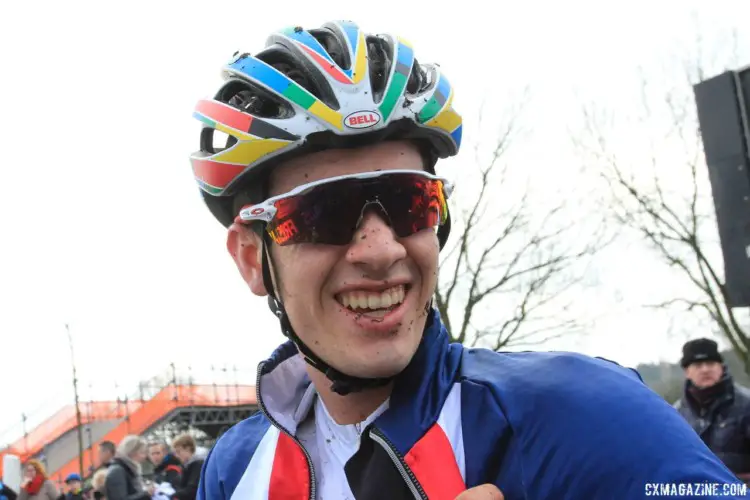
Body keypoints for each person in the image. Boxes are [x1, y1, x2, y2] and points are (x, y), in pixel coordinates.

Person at [190, 20, 746, 499]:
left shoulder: (588, 416)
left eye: (412, 202)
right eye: (323, 213)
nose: (382, 250)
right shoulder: (236, 469)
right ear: (250, 258)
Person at [674, 338, 750, 481]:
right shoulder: (677, 413)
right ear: (687, 372)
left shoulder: (746, 404)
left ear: (721, 366)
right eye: (697, 365)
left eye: (710, 363)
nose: (705, 369)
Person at [104, 436, 154, 500]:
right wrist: (146, 494)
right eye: (142, 452)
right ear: (132, 453)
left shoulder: (128, 469)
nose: (144, 456)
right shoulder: (118, 471)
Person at [169, 435, 203, 500]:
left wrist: (174, 495)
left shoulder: (198, 465)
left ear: (188, 448)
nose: (177, 456)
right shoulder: (187, 466)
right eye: (175, 453)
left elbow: (193, 489)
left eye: (178, 451)